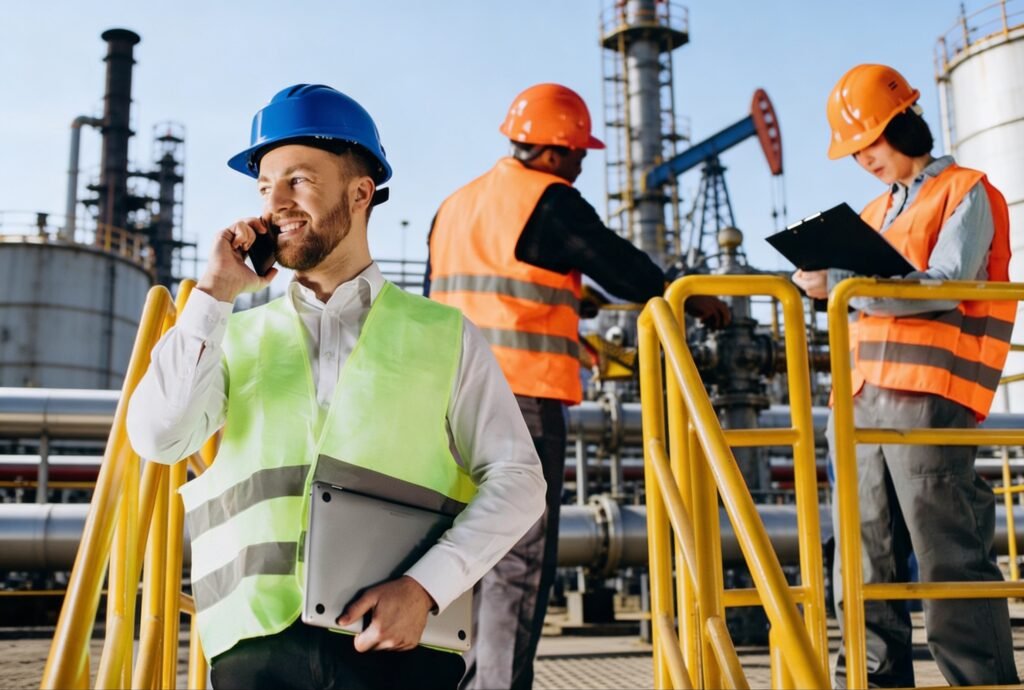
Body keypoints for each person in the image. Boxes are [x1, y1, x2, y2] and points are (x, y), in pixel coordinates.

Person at [126, 84, 546, 690]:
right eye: (265, 186)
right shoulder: (229, 333)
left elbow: (519, 481)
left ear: (360, 192)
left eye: (299, 179)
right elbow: (158, 438)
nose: (276, 202)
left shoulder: (443, 335)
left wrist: (427, 587)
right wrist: (213, 294)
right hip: (254, 650)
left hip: (400, 645)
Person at [425, 82, 730, 690]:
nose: (584, 163)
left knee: (458, 560)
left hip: (446, 410)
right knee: (516, 561)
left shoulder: (455, 204)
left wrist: (573, 298)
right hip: (523, 405)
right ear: (554, 150)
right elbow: (623, 265)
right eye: (578, 152)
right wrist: (695, 301)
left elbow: (487, 290)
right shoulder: (551, 200)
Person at [793, 64, 1019, 688]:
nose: (864, 159)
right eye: (855, 150)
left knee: (946, 555)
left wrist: (842, 284)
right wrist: (816, 282)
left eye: (871, 143)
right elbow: (862, 294)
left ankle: (981, 681)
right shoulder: (871, 211)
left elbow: (947, 285)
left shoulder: (967, 191)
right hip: (858, 398)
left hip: (927, 398)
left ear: (905, 123)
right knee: (862, 563)